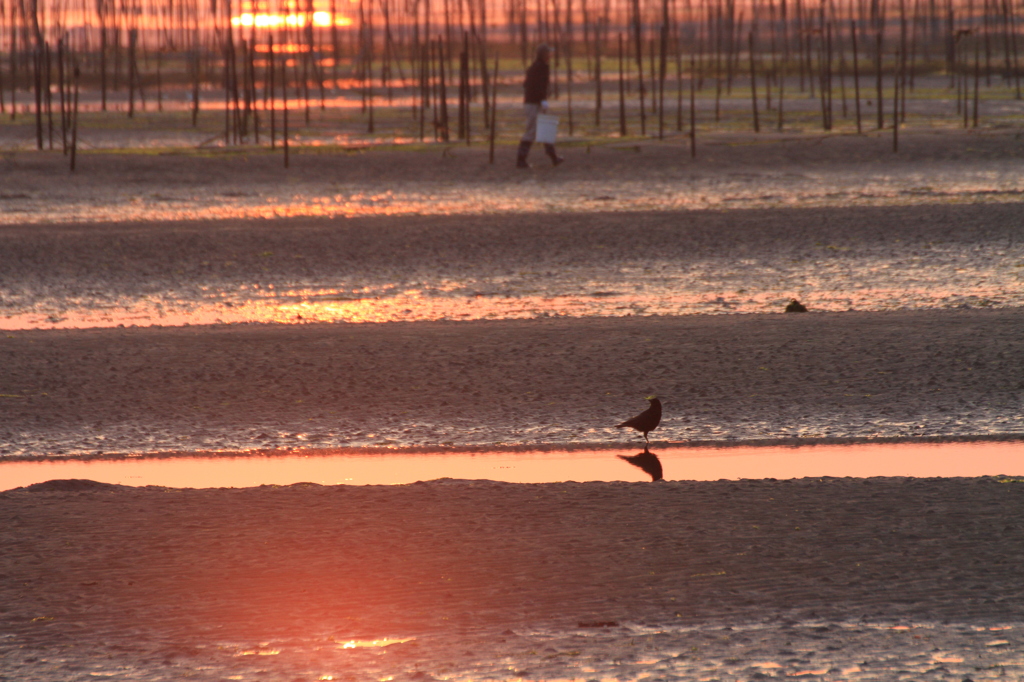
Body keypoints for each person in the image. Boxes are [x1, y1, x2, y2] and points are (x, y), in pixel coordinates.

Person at [517, 44, 565, 169]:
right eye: (548, 53)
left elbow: (529, 84)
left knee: (544, 128)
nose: (550, 55)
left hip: (534, 102)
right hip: (533, 104)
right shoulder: (540, 67)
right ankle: (520, 160)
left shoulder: (537, 67)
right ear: (543, 54)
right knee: (532, 131)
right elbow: (535, 85)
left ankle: (554, 157)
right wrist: (542, 99)